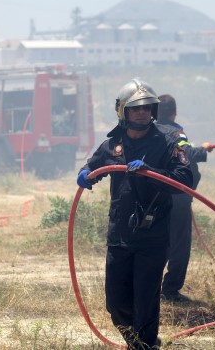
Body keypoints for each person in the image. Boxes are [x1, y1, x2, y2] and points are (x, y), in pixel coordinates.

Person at [76, 79, 193, 349]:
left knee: (145, 298)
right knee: (115, 301)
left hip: (152, 236)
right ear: (123, 112)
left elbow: (183, 177)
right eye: (135, 108)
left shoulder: (167, 142)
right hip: (120, 236)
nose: (142, 113)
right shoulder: (112, 145)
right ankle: (134, 339)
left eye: (146, 108)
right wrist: (85, 174)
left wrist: (152, 172)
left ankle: (147, 343)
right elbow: (93, 166)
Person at [155, 94, 212, 303]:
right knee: (178, 243)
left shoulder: (148, 132)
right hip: (176, 196)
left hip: (153, 197)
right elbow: (187, 153)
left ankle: (148, 286)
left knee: (155, 242)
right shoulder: (175, 132)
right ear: (173, 112)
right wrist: (203, 150)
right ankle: (170, 290)